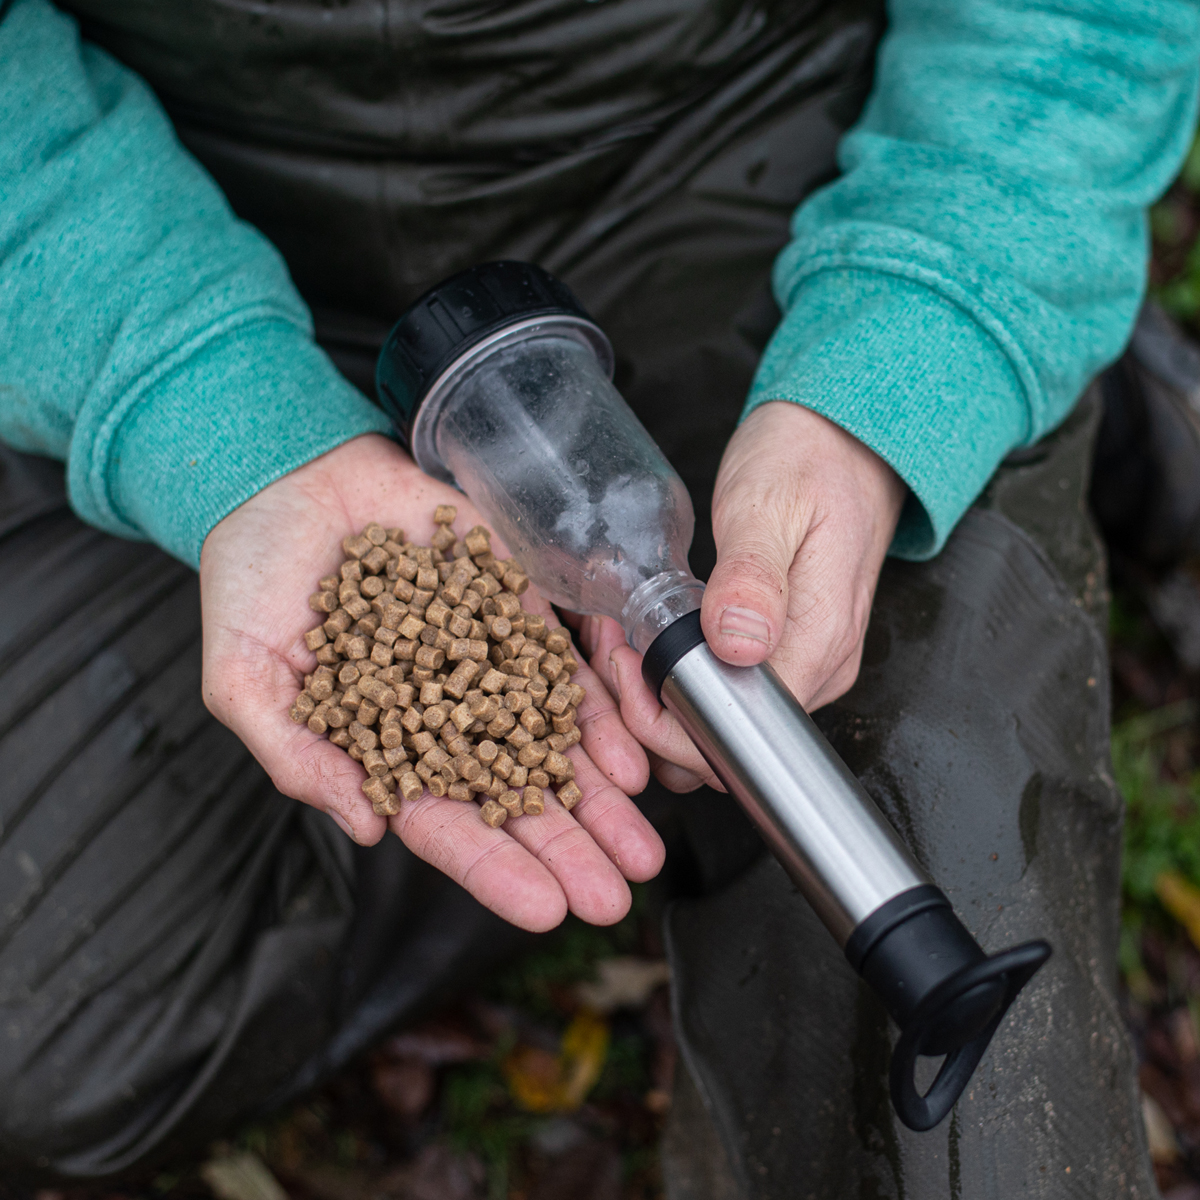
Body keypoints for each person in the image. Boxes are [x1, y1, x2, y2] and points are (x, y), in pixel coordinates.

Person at [0, 0, 1195, 1191]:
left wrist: (910, 351)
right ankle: (676, 810)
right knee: (49, 1030)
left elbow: (1083, 27)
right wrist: (203, 411)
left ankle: (1017, 342)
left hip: (734, 158)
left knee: (964, 978)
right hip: (173, 230)